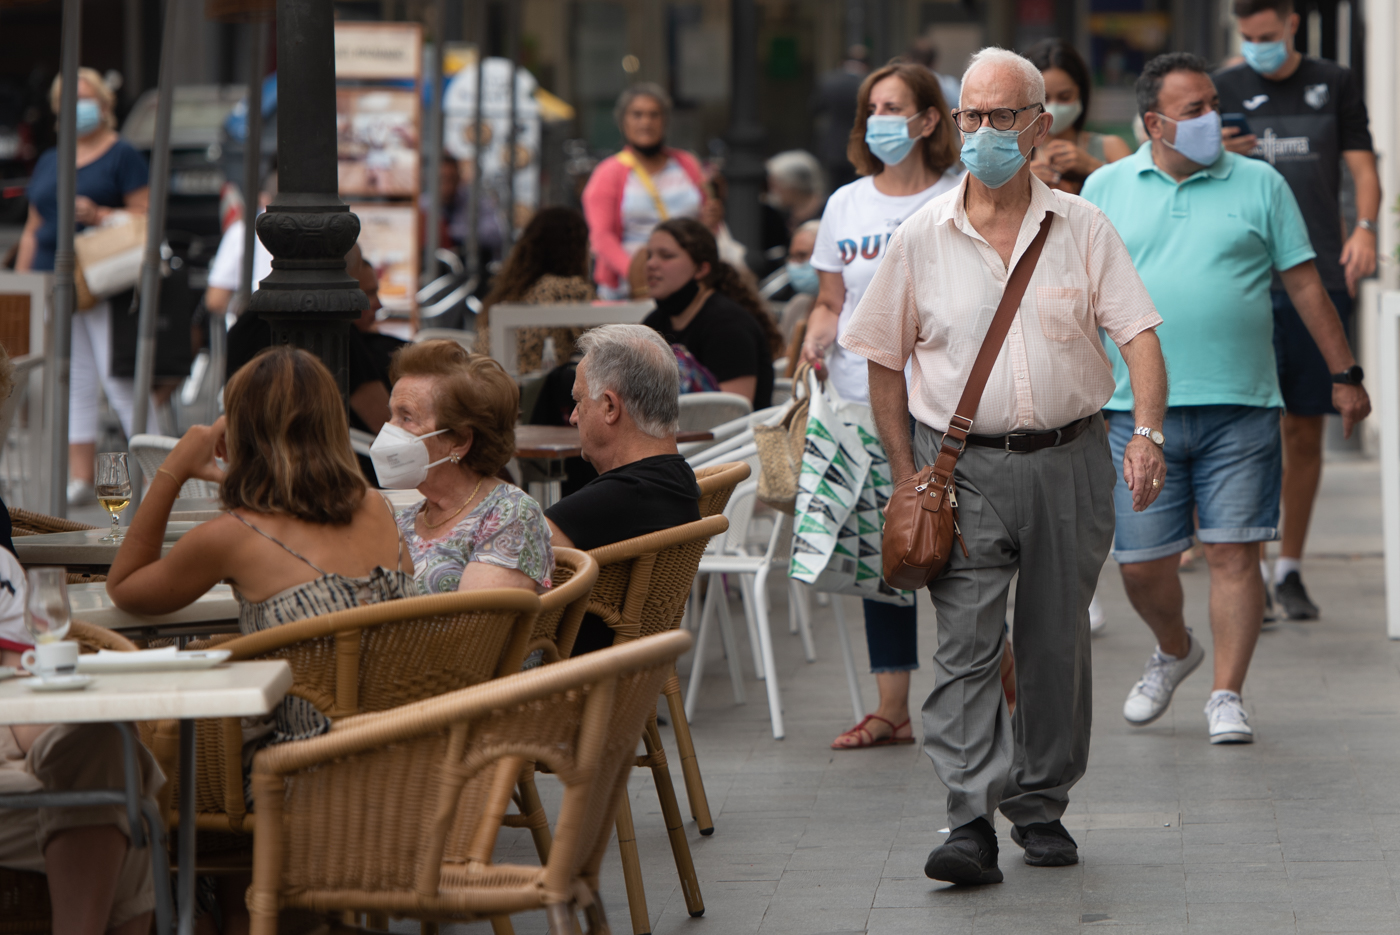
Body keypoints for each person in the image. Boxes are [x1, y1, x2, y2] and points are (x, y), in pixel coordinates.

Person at [842, 48, 1169, 882]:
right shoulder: (921, 236)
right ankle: (968, 822)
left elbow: (1138, 333)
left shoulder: (1082, 226)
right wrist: (904, 466)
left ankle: (1041, 805)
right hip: (961, 471)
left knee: (1055, 643)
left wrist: (1147, 434)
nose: (982, 132)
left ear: (1040, 124)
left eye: (1000, 116)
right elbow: (882, 355)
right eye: (970, 117)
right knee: (966, 645)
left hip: (1069, 460)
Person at [1080, 53, 1370, 746]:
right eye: (1195, 109)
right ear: (1152, 123)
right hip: (1133, 412)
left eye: (1214, 102)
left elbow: (1304, 283)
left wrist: (1346, 372)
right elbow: (1076, 293)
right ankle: (1176, 649)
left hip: (1242, 402)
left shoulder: (1260, 182)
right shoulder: (1104, 187)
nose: (1217, 117)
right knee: (1142, 565)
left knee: (1234, 553)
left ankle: (1226, 693)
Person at [106, 345, 415, 934]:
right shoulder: (377, 509)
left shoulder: (234, 535)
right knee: (227, 729)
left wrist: (172, 468)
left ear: (239, 431)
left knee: (152, 753)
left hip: (297, 773)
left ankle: (207, 913)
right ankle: (253, 912)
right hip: (395, 752)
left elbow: (126, 588)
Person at [796, 60, 962, 750]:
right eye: (872, 108)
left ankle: (994, 678)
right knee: (885, 556)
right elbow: (834, 299)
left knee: (961, 555)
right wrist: (815, 332)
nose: (878, 121)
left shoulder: (961, 195)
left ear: (928, 120)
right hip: (863, 401)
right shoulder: (846, 205)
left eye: (894, 107)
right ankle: (892, 707)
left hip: (947, 401)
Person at [1215, 0, 1380, 620]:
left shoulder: (1332, 81)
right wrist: (1214, 149)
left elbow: (1364, 167)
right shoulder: (1224, 87)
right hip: (1244, 279)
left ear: (1291, 22)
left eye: (1267, 33)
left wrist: (1364, 228)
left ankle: (1289, 569)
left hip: (1316, 274)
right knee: (1246, 429)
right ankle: (1247, 569)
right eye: (1247, 36)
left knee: (1303, 428)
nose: (1257, 44)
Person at [0, 339, 161, 935]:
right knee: (128, 796)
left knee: (109, 752)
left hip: (11, 732)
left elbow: (20, 695)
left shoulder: (3, 566)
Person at [15, 68, 154, 507]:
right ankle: (81, 477)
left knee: (118, 379)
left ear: (105, 105)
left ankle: (157, 474)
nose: (80, 106)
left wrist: (99, 215)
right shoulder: (51, 159)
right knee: (72, 380)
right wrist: (22, 283)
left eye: (87, 96)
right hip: (54, 282)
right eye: (71, 99)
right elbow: (34, 228)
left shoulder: (122, 154)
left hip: (100, 281)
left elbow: (146, 217)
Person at [545, 324, 702, 654]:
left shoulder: (617, 501)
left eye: (578, 401)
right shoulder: (676, 478)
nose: (573, 417)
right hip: (628, 677)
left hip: (563, 683)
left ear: (610, 407)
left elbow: (510, 569)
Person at [378, 340, 553, 596]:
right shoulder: (405, 519)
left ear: (458, 440)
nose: (389, 430)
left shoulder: (509, 514)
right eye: (391, 415)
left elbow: (479, 626)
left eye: (406, 418)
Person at [225, 245, 392, 434]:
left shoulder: (246, 324)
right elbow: (385, 426)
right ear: (341, 279)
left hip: (249, 450)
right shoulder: (335, 332)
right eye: (361, 291)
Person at [581, 84, 707, 299]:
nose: (646, 122)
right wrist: (638, 274)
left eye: (653, 115)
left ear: (665, 121)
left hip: (687, 286)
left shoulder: (688, 164)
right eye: (637, 115)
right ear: (623, 122)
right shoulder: (608, 172)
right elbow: (602, 236)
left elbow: (704, 221)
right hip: (628, 290)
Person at [640, 217, 780, 408]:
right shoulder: (655, 322)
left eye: (666, 256)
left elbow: (732, 413)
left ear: (701, 269)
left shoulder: (729, 326)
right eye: (650, 255)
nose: (651, 264)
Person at [477, 207, 594, 373]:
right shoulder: (568, 288)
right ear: (577, 248)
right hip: (528, 390)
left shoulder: (514, 289)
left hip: (487, 382)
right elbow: (603, 339)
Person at [1024, 39, 1131, 196]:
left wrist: (1092, 167)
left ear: (1081, 93)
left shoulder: (1110, 148)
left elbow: (1139, 197)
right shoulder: (1015, 153)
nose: (1053, 107)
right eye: (1044, 99)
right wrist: (1019, 181)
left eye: (1065, 97)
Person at [812, 45, 871, 192]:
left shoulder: (828, 81)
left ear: (843, 62)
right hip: (862, 145)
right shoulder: (869, 83)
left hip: (833, 145)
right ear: (865, 64)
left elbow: (815, 109)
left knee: (834, 189)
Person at [765, 150, 827, 233]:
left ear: (793, 186)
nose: (772, 191)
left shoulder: (829, 211)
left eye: (775, 185)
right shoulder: (780, 216)